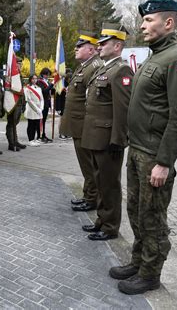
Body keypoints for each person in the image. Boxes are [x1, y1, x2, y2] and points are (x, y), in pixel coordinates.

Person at [109, 0, 177, 295]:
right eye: (143, 20)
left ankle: (150, 274)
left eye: (148, 20)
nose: (142, 25)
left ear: (168, 23)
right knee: (135, 210)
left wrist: (164, 162)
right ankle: (138, 262)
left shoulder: (176, 59)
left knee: (153, 217)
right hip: (138, 151)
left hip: (154, 156)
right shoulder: (155, 56)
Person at [80, 24, 133, 241]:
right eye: (99, 42)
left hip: (108, 140)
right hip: (95, 137)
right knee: (100, 182)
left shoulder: (121, 70)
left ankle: (110, 227)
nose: (99, 46)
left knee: (109, 185)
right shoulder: (104, 68)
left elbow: (123, 109)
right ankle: (101, 220)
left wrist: (118, 140)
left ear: (117, 45)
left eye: (104, 43)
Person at [59, 32, 103, 212]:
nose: (75, 49)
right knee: (86, 165)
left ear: (91, 49)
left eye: (80, 46)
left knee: (89, 166)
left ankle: (92, 199)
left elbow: (92, 101)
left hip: (84, 126)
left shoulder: (94, 67)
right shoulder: (84, 67)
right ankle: (88, 194)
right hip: (78, 125)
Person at [6, 57, 26, 151]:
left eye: (21, 64)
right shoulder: (11, 75)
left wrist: (24, 103)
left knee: (15, 123)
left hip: (19, 103)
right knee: (11, 123)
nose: (20, 66)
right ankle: (11, 143)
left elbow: (22, 90)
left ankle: (15, 141)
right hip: (13, 103)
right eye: (19, 64)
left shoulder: (19, 75)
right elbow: (9, 89)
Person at [24, 74, 44, 147]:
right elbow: (29, 100)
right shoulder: (27, 88)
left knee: (36, 125)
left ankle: (34, 139)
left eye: (36, 79)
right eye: (33, 79)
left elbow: (42, 99)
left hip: (38, 108)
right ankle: (30, 140)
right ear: (30, 79)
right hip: (31, 108)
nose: (34, 80)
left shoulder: (39, 88)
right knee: (31, 125)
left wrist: (41, 108)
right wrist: (37, 109)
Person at [36, 68, 53, 142]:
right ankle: (39, 136)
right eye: (46, 74)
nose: (47, 76)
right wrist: (51, 85)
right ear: (42, 74)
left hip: (47, 103)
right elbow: (44, 91)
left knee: (44, 120)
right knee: (40, 120)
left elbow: (50, 92)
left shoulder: (47, 81)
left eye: (48, 74)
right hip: (42, 103)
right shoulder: (40, 82)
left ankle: (43, 134)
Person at [57, 68, 72, 140]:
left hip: (68, 104)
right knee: (62, 120)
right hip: (62, 104)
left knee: (67, 120)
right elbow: (58, 96)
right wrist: (58, 108)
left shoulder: (70, 84)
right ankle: (61, 134)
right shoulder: (62, 84)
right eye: (69, 78)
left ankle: (66, 133)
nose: (70, 80)